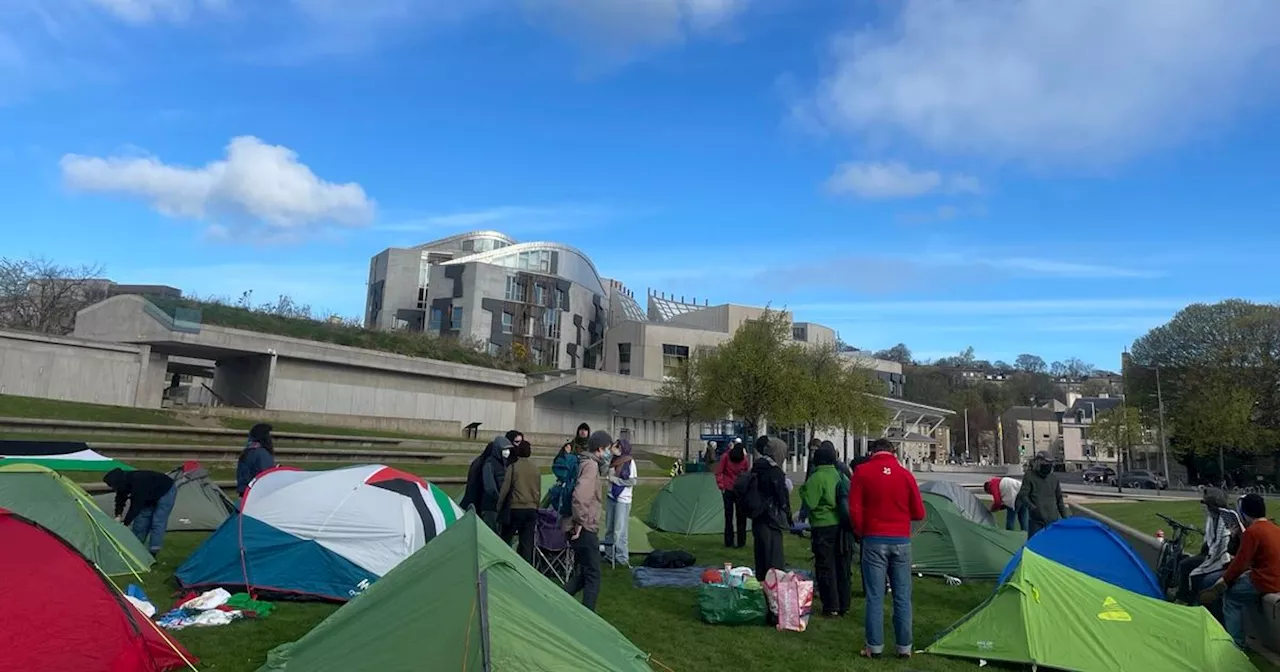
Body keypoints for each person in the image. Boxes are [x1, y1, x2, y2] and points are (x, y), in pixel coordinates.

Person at [850, 438, 925, 659]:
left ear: (873, 451)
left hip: (873, 538)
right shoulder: (905, 475)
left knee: (875, 596)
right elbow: (919, 512)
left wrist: (863, 531)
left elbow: (854, 508)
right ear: (893, 452)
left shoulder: (862, 472)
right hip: (901, 540)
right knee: (902, 596)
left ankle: (874, 646)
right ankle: (904, 646)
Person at [1201, 493, 1280, 648]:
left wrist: (1224, 580)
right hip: (1274, 577)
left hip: (1264, 581)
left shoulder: (1252, 532)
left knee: (1231, 598)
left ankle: (1236, 644)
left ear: (1244, 513)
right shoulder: (1275, 529)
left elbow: (1240, 563)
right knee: (1242, 585)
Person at [800, 442, 853, 617]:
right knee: (841, 565)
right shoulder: (840, 475)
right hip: (841, 525)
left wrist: (803, 491)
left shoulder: (817, 477)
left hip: (823, 525)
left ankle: (831, 606)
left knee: (825, 566)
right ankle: (844, 603)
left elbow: (811, 502)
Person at [564, 429, 613, 611]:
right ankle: (588, 615)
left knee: (585, 573)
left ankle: (559, 598)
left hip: (580, 525)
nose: (609, 452)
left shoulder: (583, 462)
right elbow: (581, 496)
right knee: (593, 575)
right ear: (600, 449)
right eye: (607, 448)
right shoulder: (590, 466)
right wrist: (579, 522)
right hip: (584, 527)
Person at [103, 468, 177, 556]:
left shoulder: (138, 482)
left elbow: (136, 506)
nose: (112, 488)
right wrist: (118, 515)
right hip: (149, 493)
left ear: (117, 482)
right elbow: (120, 499)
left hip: (166, 490)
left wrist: (126, 523)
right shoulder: (122, 483)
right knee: (141, 521)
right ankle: (135, 549)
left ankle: (153, 552)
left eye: (112, 485)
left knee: (158, 521)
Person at [1179, 487, 1234, 605]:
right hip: (1210, 554)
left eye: (1206, 504)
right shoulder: (1212, 518)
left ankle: (1189, 600)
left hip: (1221, 557)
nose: (1204, 507)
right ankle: (1186, 598)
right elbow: (1210, 540)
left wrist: (1209, 555)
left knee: (1189, 567)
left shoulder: (1225, 520)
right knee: (1185, 564)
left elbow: (1223, 546)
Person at [749, 437, 792, 581]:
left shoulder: (757, 466)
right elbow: (782, 497)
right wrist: (788, 515)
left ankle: (762, 586)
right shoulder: (774, 471)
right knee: (774, 558)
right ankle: (774, 592)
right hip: (771, 518)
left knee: (761, 555)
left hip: (758, 515)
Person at [497, 439, 540, 562]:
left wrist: (499, 506)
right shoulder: (535, 469)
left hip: (515, 507)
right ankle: (526, 568)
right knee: (527, 543)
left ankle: (504, 561)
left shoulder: (513, 467)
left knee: (506, 538)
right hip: (531, 508)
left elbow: (505, 488)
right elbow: (538, 490)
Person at [604, 439, 639, 566]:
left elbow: (632, 481)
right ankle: (609, 555)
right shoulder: (612, 460)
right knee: (609, 528)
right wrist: (608, 454)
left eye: (618, 447)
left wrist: (616, 481)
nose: (616, 449)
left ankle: (622, 558)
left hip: (623, 499)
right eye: (615, 446)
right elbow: (603, 470)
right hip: (610, 496)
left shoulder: (629, 461)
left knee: (620, 530)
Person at [1017, 451, 1068, 537]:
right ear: (1038, 463)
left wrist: (1065, 518)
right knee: (1033, 547)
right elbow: (1022, 495)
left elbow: (1059, 500)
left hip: (1053, 520)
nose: (1047, 466)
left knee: (1051, 546)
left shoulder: (1053, 478)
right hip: (1036, 521)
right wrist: (1032, 508)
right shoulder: (1029, 476)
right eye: (1045, 463)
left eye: (1050, 464)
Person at [714, 440, 750, 548]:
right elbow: (747, 474)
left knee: (728, 517)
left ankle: (729, 541)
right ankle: (741, 542)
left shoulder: (725, 456)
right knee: (741, 517)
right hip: (740, 490)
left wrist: (721, 486)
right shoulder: (744, 459)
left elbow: (719, 471)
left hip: (728, 489)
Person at [479, 436, 513, 532]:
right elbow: (489, 486)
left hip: (499, 506)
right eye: (505, 449)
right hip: (491, 506)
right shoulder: (489, 463)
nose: (507, 452)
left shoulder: (504, 464)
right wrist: (499, 498)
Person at [236, 423, 275, 497]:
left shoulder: (247, 451)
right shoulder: (262, 453)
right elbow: (266, 476)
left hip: (245, 492)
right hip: (257, 494)